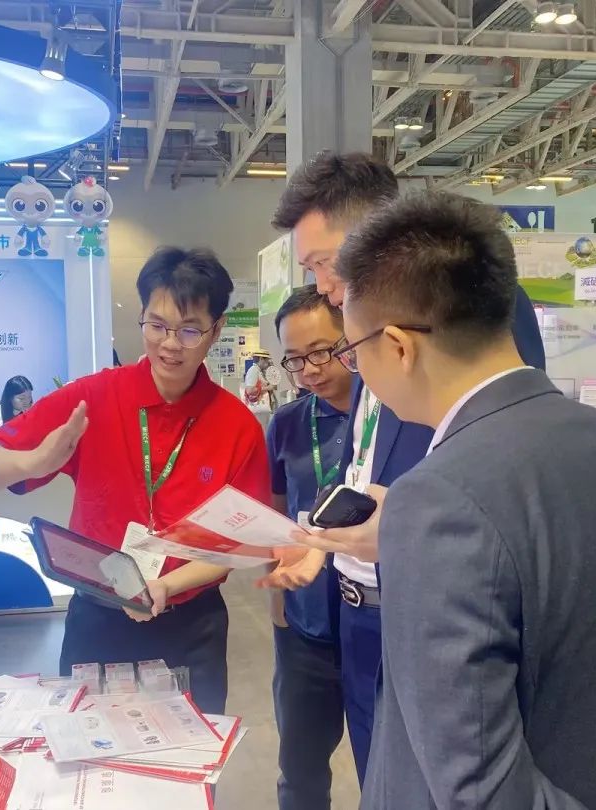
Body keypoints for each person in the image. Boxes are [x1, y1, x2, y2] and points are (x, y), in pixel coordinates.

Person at [334, 191, 596, 810]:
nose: (355, 369)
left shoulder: (437, 500)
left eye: (351, 350)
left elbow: (479, 786)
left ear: (397, 346)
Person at [270, 151, 547, 786]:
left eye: (322, 263)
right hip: (359, 611)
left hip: (430, 606)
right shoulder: (364, 328)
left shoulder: (465, 304)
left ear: (374, 231)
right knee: (381, 778)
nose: (322, 285)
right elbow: (362, 455)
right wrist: (321, 540)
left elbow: (506, 446)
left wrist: (410, 523)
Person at [0, 247, 271, 714]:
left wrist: (166, 586)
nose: (170, 344)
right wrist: (35, 461)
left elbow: (237, 544)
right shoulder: (93, 398)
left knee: (191, 751)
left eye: (189, 330)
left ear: (216, 329)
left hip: (191, 624)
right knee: (91, 746)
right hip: (97, 619)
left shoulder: (236, 425)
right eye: (157, 325)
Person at [262, 286, 353, 810]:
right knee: (299, 769)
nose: (309, 371)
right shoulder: (287, 424)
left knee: (385, 765)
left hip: (377, 627)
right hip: (305, 626)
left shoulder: (390, 416)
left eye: (321, 351)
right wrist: (278, 607)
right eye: (294, 359)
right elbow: (276, 514)